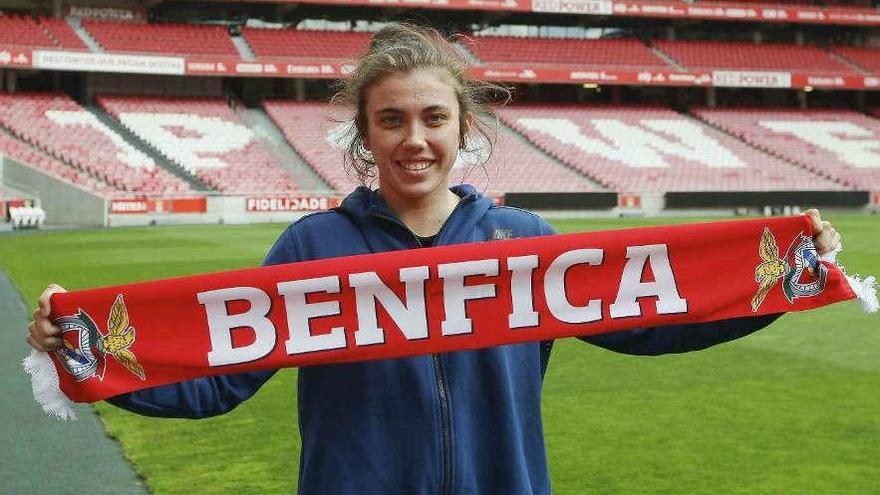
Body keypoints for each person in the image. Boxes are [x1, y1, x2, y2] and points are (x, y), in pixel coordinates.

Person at [27, 23, 842, 495]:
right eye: (390, 120)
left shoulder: (521, 242)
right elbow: (216, 382)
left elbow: (654, 323)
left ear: (464, 128)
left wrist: (776, 281)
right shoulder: (313, 248)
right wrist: (87, 353)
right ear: (364, 135)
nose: (414, 139)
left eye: (432, 118)